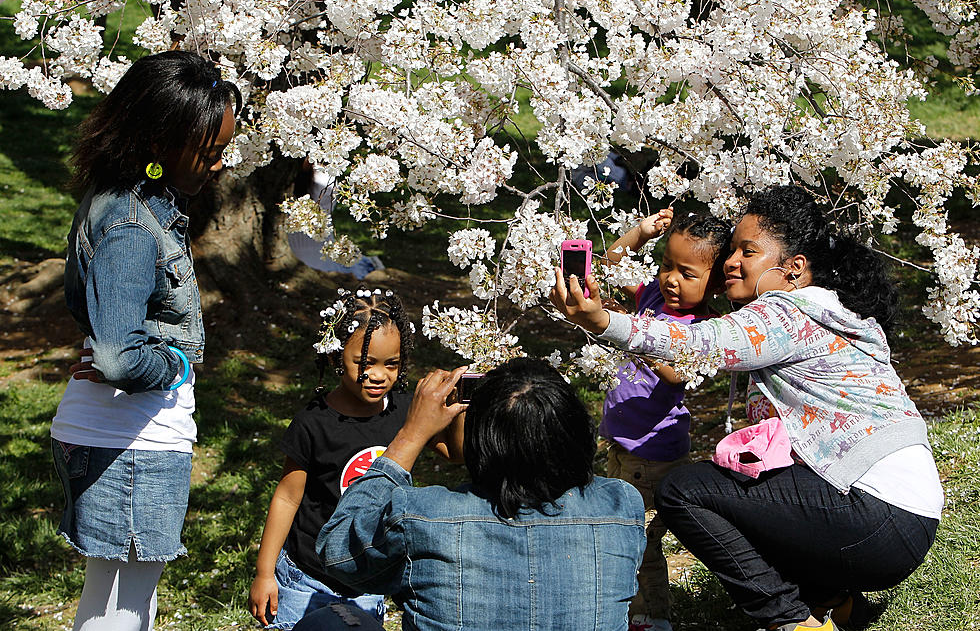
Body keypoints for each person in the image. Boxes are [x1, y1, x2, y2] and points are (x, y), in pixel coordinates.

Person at [551, 186, 943, 631]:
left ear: (793, 269)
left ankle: (791, 621)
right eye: (732, 250)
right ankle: (834, 603)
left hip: (874, 514)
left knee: (684, 491)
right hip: (898, 522)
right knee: (748, 483)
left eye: (747, 251)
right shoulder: (825, 311)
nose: (731, 262)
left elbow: (700, 344)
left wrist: (604, 322)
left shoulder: (788, 313)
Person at [52, 50, 240, 630]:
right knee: (126, 608)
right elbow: (117, 353)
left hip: (116, 435)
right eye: (209, 153)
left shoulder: (132, 203)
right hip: (133, 440)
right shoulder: (133, 224)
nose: (217, 167)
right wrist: (174, 365)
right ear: (161, 140)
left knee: (109, 599)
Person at [293, 357, 646, 631]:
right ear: (576, 435)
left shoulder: (423, 518)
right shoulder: (620, 506)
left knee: (330, 620)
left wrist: (410, 435)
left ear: (481, 445)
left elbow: (338, 551)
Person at [248, 287, 461, 629]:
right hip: (306, 578)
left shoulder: (406, 412)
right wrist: (264, 572)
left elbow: (455, 454)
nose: (379, 375)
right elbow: (288, 498)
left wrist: (458, 406)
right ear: (334, 358)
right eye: (364, 363)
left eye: (391, 364)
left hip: (367, 577)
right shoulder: (314, 422)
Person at [600, 208, 729, 631]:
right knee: (624, 530)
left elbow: (676, 373)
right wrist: (639, 232)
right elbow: (612, 263)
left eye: (687, 273)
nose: (671, 278)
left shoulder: (699, 326)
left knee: (641, 542)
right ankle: (633, 606)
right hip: (623, 442)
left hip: (653, 451)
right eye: (666, 265)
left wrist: (632, 332)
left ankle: (652, 615)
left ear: (713, 282)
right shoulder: (654, 299)